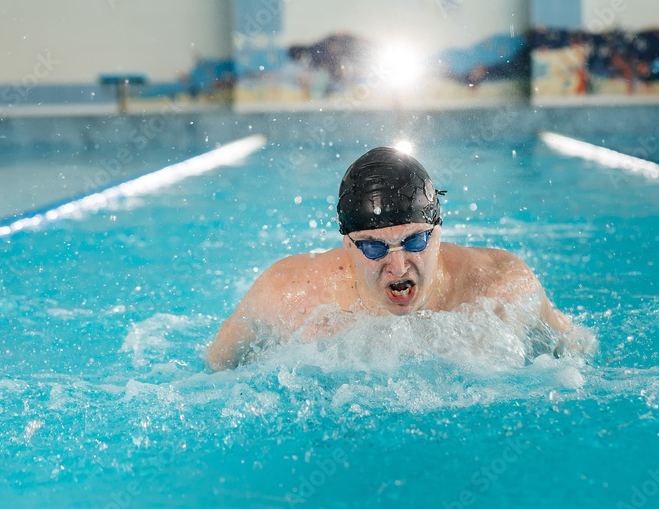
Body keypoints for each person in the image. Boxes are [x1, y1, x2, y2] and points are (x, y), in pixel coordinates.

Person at [206, 146, 576, 371]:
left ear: (438, 232)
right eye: (373, 248)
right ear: (348, 245)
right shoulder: (289, 295)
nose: (398, 267)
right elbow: (216, 369)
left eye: (415, 241)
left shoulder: (501, 286)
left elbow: (573, 352)